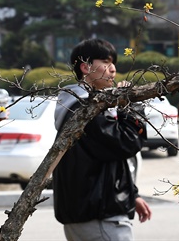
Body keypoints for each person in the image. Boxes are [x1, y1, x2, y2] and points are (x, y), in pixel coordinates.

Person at [53, 38, 152, 241]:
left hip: (88, 213)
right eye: (106, 62)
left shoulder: (80, 106)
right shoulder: (85, 109)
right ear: (85, 67)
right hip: (99, 216)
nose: (113, 69)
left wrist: (132, 194)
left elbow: (107, 155)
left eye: (113, 63)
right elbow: (127, 142)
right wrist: (129, 105)